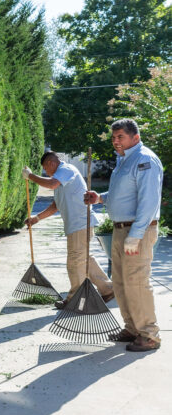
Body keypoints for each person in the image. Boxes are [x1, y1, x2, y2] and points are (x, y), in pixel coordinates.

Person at [84, 118, 163, 352]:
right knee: (120, 283)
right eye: (113, 137)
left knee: (137, 283)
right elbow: (122, 193)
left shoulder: (145, 160)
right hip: (121, 229)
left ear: (135, 137)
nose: (115, 141)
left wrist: (135, 235)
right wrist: (100, 198)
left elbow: (149, 202)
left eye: (121, 137)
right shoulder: (124, 160)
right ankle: (131, 328)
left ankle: (149, 335)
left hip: (137, 231)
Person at [22, 152, 113, 307]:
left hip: (80, 223)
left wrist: (31, 176)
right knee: (85, 259)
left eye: (45, 168)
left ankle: (75, 299)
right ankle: (108, 289)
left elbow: (50, 184)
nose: (46, 172)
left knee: (74, 262)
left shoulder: (66, 169)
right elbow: (55, 206)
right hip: (77, 225)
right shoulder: (60, 180)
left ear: (51, 163)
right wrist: (36, 219)